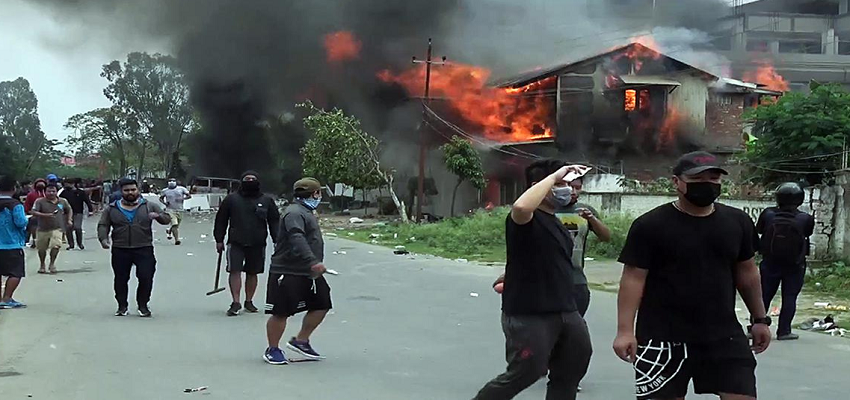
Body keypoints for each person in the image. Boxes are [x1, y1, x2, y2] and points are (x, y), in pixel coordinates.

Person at [614, 151, 771, 400]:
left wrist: (760, 319)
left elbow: (748, 272)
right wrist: (625, 331)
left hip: (723, 335)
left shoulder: (737, 222)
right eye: (698, 179)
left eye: (714, 178)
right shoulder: (650, 225)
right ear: (676, 182)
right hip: (662, 338)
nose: (707, 185)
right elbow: (633, 278)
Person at [474, 160, 592, 400]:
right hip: (530, 313)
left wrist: (513, 272)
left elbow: (541, 258)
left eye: (568, 184)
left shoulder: (556, 222)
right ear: (539, 186)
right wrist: (554, 176)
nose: (568, 189)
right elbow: (519, 207)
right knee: (527, 371)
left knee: (573, 366)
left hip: (565, 309)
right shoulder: (525, 218)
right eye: (560, 184)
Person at [263, 177, 329, 365]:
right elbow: (296, 237)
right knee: (281, 311)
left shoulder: (306, 212)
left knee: (322, 303)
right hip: (288, 270)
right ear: (315, 193)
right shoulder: (294, 213)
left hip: (309, 272)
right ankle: (273, 349)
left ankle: (301, 340)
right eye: (318, 193)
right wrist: (312, 261)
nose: (319, 196)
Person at [98, 178, 171, 317]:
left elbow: (167, 218)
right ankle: (122, 306)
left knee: (146, 276)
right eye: (126, 190)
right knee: (120, 278)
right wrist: (103, 239)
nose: (130, 192)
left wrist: (158, 216)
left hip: (144, 247)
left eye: (133, 189)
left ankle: (143, 305)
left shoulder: (149, 206)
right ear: (121, 191)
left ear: (138, 190)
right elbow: (103, 224)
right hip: (120, 248)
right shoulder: (112, 208)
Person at [214, 171, 280, 316]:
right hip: (236, 242)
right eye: (247, 179)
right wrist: (219, 239)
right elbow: (221, 220)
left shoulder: (267, 200)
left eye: (253, 179)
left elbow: (274, 221)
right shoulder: (231, 200)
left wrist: (277, 240)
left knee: (253, 272)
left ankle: (249, 301)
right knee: (234, 270)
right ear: (241, 182)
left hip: (258, 242)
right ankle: (236, 302)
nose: (250, 181)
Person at [756, 182, 814, 341]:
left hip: (770, 262)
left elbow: (759, 230)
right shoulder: (805, 218)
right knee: (790, 296)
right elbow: (807, 233)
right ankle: (784, 331)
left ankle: (756, 326)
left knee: (764, 295)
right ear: (800, 199)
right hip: (795, 264)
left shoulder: (768, 214)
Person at [555, 175, 611, 317]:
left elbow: (606, 237)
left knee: (574, 330)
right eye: (569, 186)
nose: (573, 191)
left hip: (576, 280)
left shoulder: (585, 210)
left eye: (577, 187)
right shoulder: (545, 209)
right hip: (550, 281)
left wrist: (592, 219)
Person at [0, 174, 28, 309]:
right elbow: (20, 222)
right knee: (15, 273)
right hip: (11, 244)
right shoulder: (15, 205)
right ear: (13, 188)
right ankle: (7, 298)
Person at [31, 184, 72, 274]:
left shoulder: (62, 201)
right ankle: (42, 264)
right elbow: (33, 212)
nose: (51, 193)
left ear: (57, 192)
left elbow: (69, 210)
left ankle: (52, 264)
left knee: (56, 246)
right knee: (41, 249)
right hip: (43, 228)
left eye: (53, 191)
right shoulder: (40, 201)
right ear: (45, 192)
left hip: (57, 228)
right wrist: (46, 215)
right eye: (49, 191)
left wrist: (69, 219)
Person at [60, 178, 94, 250]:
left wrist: (90, 210)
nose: (66, 185)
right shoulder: (64, 193)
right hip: (67, 213)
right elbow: (59, 202)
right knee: (68, 229)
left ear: (73, 184)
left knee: (77, 227)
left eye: (68, 184)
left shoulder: (80, 192)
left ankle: (80, 244)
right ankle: (71, 244)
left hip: (78, 212)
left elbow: (87, 201)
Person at [159, 178, 192, 245]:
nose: (171, 182)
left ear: (176, 182)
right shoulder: (165, 190)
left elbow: (189, 196)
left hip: (180, 209)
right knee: (175, 224)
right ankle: (177, 240)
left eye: (173, 181)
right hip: (170, 210)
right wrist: (165, 203)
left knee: (176, 225)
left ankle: (169, 230)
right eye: (170, 181)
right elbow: (160, 198)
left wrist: (182, 198)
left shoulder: (181, 189)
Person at [24, 178, 47, 248]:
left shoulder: (47, 193)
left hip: (47, 215)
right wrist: (28, 211)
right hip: (34, 215)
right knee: (34, 228)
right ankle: (34, 241)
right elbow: (27, 205)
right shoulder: (31, 195)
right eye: (39, 183)